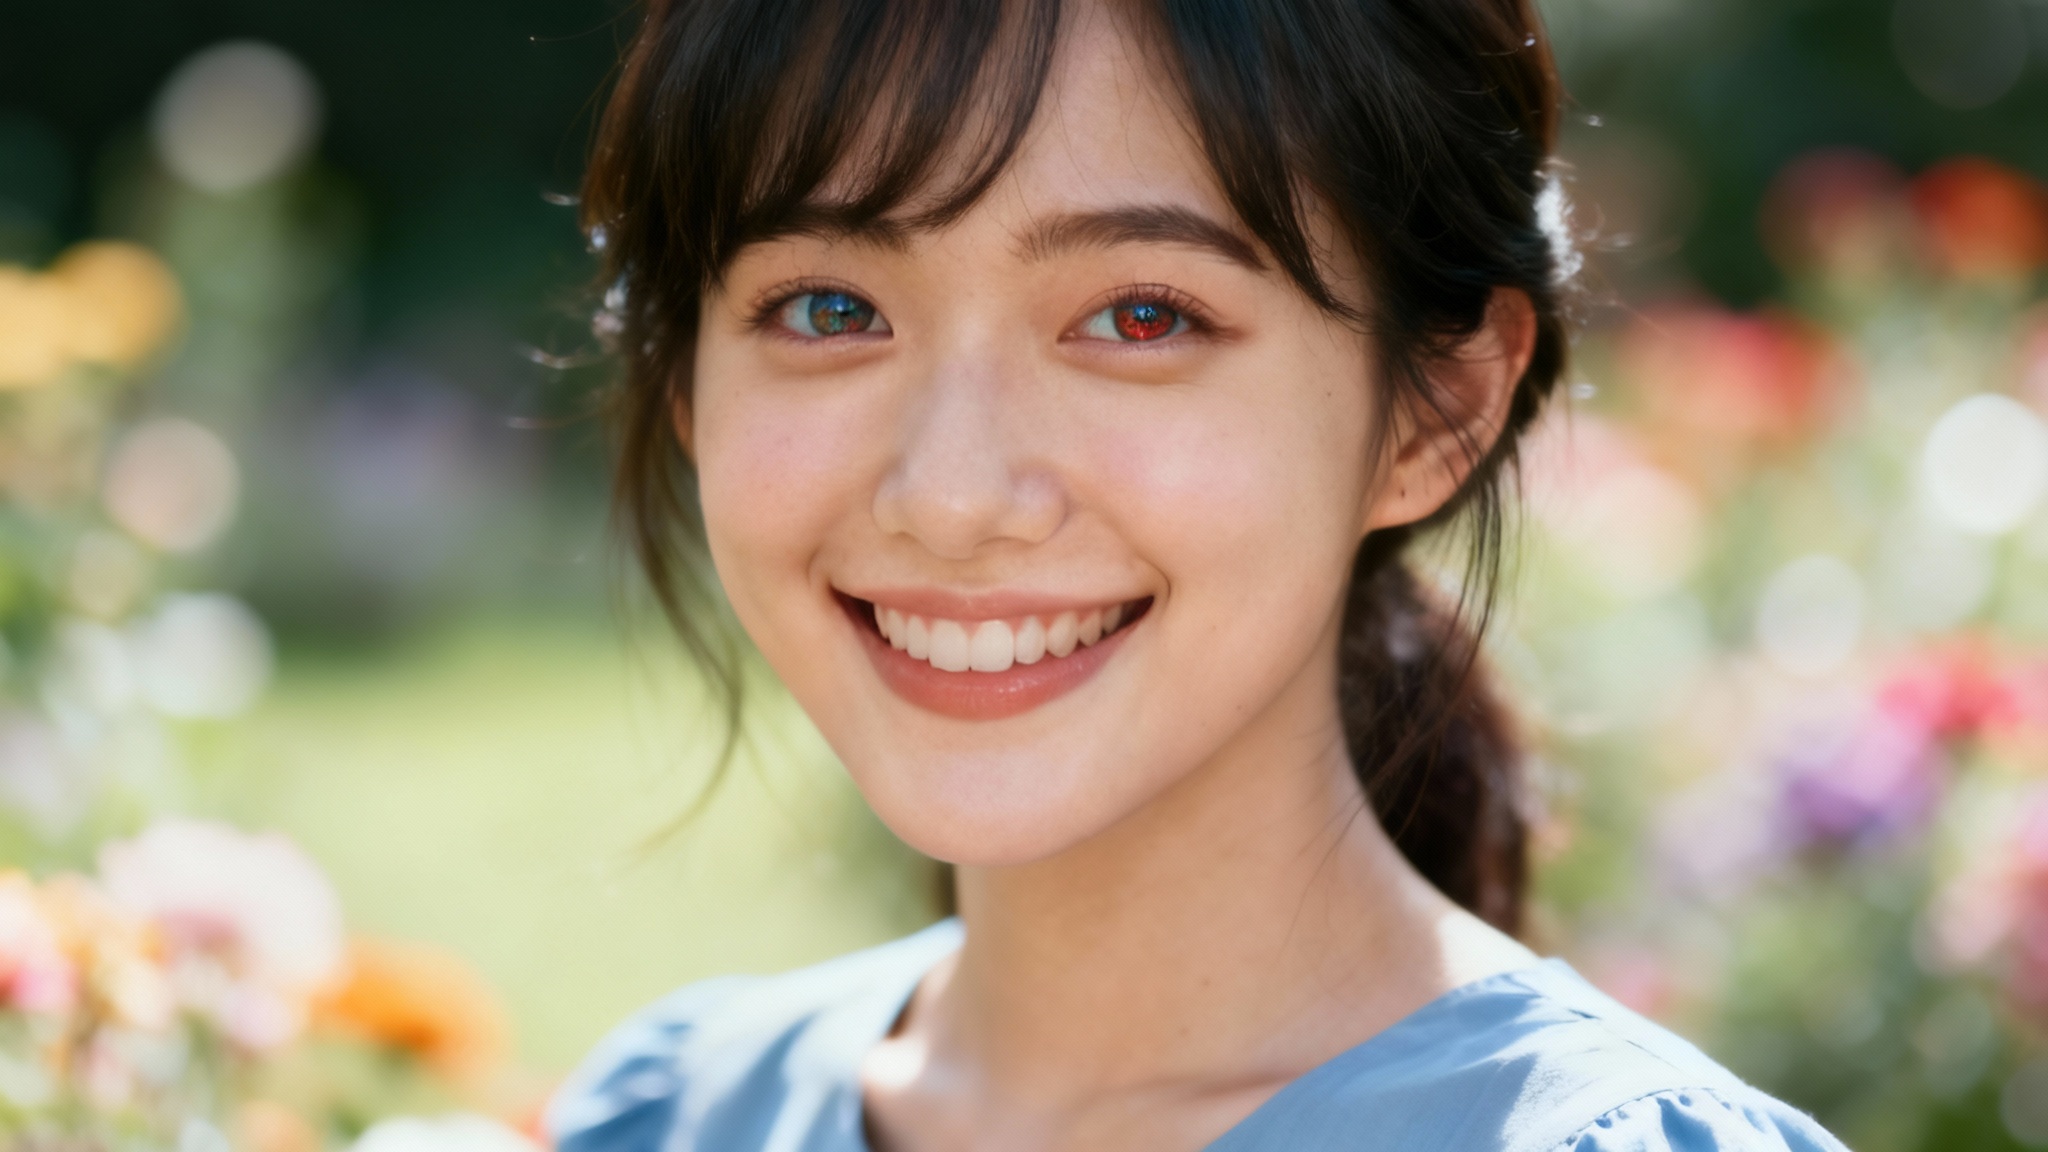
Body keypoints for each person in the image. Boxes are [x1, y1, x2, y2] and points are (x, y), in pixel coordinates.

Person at [546, 0, 1848, 1148]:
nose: (949, 495)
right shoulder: (670, 1118)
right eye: (829, 309)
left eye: (1140, 317)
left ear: (1434, 411)